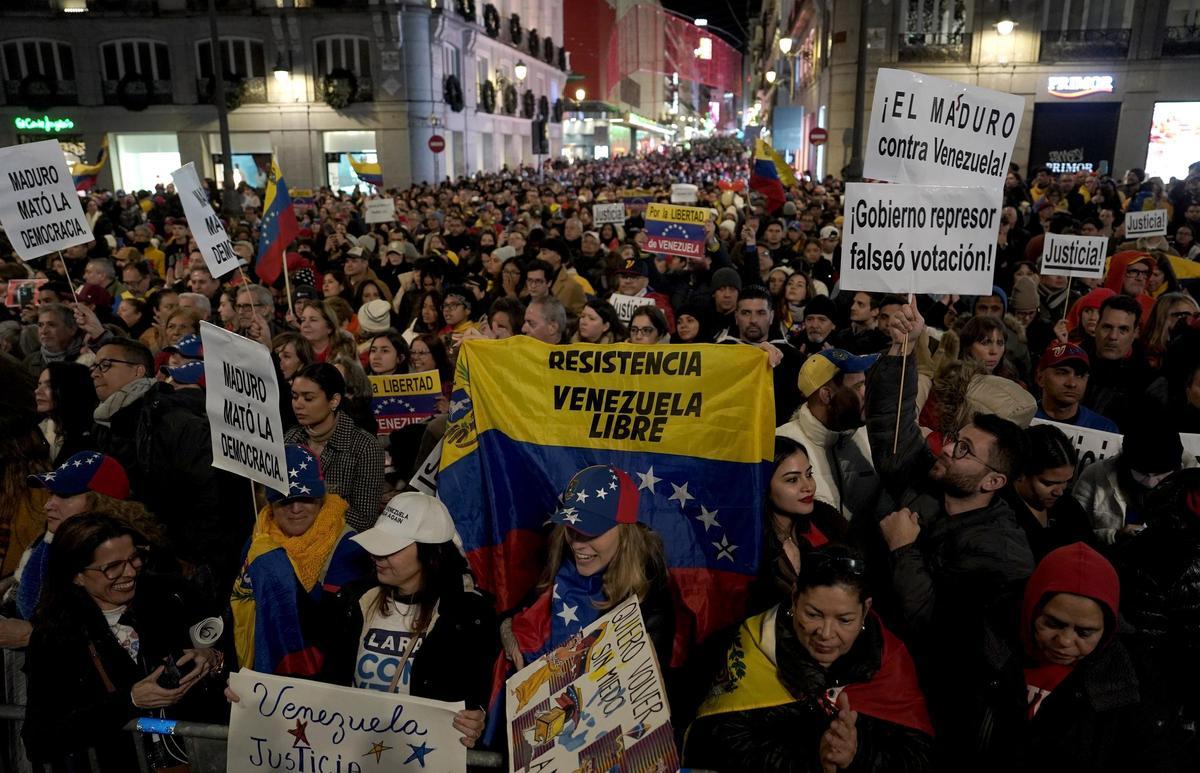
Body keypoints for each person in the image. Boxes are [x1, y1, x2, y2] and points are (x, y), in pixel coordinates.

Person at [867, 299, 1034, 723]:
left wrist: (904, 551)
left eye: (963, 450)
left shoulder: (1003, 551)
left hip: (931, 701)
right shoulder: (932, 480)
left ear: (993, 481)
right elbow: (893, 431)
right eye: (954, 437)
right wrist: (904, 348)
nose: (946, 448)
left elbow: (941, 631)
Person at [684, 546, 935, 772]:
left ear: (866, 610)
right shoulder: (752, 645)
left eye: (844, 620)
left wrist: (857, 756)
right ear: (794, 597)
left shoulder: (888, 658)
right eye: (813, 614)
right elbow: (712, 743)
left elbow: (920, 755)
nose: (826, 634)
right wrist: (814, 758)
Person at [23, 514, 224, 770]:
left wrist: (211, 658)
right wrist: (130, 701)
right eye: (112, 566)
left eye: (134, 558)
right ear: (77, 576)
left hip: (205, 761)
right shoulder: (56, 635)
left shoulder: (173, 596)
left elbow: (234, 663)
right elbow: (40, 740)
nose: (129, 572)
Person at [958, 543, 1177, 772]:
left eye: (1084, 632)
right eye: (1052, 623)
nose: (1064, 641)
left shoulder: (1131, 682)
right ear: (1031, 609)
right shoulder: (981, 649)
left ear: (1108, 630)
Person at [321, 493, 499, 748]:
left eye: (390, 547)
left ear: (429, 554)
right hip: (351, 750)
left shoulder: (470, 616)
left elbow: (480, 691)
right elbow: (322, 682)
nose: (376, 555)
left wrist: (477, 716)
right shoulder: (353, 600)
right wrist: (253, 695)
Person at [497, 466, 674, 713]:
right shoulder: (561, 559)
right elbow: (512, 615)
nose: (578, 543)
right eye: (572, 527)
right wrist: (509, 634)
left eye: (591, 531)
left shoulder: (649, 598)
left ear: (625, 533)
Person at [230, 445, 371, 677]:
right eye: (285, 501)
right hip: (260, 670)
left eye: (305, 499)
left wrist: (278, 572)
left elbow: (340, 627)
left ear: (321, 498)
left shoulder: (346, 545)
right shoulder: (258, 539)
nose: (296, 509)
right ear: (270, 503)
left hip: (319, 676)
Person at [749, 437, 852, 614]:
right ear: (763, 485)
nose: (808, 486)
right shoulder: (747, 543)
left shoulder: (829, 521)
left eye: (809, 474)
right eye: (792, 480)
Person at [777, 349, 882, 522]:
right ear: (826, 395)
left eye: (865, 384)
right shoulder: (782, 442)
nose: (866, 393)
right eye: (857, 387)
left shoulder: (871, 436)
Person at [285, 364, 385, 531]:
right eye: (295, 397)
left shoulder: (364, 447)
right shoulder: (291, 438)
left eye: (308, 398)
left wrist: (318, 503)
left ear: (334, 401)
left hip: (340, 544)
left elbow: (364, 520)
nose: (298, 405)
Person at [1073, 419, 1185, 547]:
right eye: (1142, 474)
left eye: (1160, 476)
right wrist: (1114, 536)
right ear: (1125, 464)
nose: (1150, 483)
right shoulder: (1095, 476)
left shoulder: (1193, 482)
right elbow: (1073, 531)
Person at [1005, 424, 1094, 560]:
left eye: (1066, 482)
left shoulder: (1069, 506)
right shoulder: (999, 513)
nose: (1059, 492)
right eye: (1049, 483)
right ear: (1020, 472)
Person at [724, 286, 804, 426]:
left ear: (771, 316)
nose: (753, 320)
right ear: (736, 317)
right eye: (746, 313)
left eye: (761, 313)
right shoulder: (719, 353)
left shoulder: (794, 359)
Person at [1083, 294, 1151, 431]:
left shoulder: (1147, 381)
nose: (1113, 337)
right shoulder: (1075, 363)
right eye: (1107, 327)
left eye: (1123, 329)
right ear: (1096, 327)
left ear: (1135, 333)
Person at [1033, 343, 1119, 432]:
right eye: (1062, 373)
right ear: (1040, 378)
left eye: (1080, 375)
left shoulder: (1104, 428)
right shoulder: (1020, 420)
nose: (1072, 384)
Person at [34, 361, 98, 465]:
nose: (37, 391)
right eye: (39, 384)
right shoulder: (36, 431)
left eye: (49, 385)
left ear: (70, 388)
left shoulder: (90, 436)